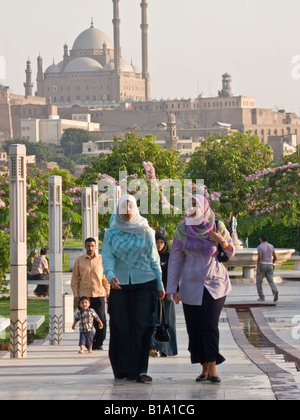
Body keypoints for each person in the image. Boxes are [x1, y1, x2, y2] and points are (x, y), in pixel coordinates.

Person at [166, 195, 235, 383]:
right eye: (190, 205)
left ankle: (212, 365)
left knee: (209, 324)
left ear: (204, 207)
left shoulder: (217, 225)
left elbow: (230, 251)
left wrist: (221, 239)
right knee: (194, 327)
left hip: (215, 284)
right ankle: (203, 365)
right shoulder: (182, 229)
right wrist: (172, 287)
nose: (193, 207)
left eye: (196, 204)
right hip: (190, 285)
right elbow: (175, 259)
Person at [102, 194, 165, 383]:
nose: (127, 211)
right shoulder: (111, 233)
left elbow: (154, 259)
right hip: (119, 285)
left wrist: (160, 284)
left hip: (145, 283)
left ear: (136, 208)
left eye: (130, 207)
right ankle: (121, 369)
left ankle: (140, 371)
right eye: (123, 207)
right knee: (121, 327)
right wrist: (111, 275)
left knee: (142, 326)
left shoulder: (146, 231)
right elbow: (107, 257)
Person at [71, 237, 110, 350]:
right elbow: (75, 280)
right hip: (84, 296)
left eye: (92, 246)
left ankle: (98, 343)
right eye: (88, 246)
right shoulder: (79, 260)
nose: (90, 248)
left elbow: (105, 278)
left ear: (96, 246)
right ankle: (89, 343)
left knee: (101, 320)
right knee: (86, 322)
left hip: (99, 294)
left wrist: (108, 290)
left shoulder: (101, 260)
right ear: (85, 246)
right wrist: (76, 295)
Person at [150, 231, 178, 357]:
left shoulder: (170, 257)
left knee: (167, 320)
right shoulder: (150, 256)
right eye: (157, 242)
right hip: (153, 293)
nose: (159, 245)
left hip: (167, 294)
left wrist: (174, 290)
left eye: (161, 242)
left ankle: (167, 349)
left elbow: (174, 275)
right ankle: (153, 347)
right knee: (154, 319)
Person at [256, 234, 278, 302]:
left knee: (259, 282)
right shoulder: (271, 246)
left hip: (262, 265)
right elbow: (275, 257)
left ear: (261, 239)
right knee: (271, 281)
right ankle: (275, 291)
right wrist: (272, 263)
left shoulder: (260, 247)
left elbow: (259, 257)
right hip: (270, 265)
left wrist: (258, 268)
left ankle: (262, 297)